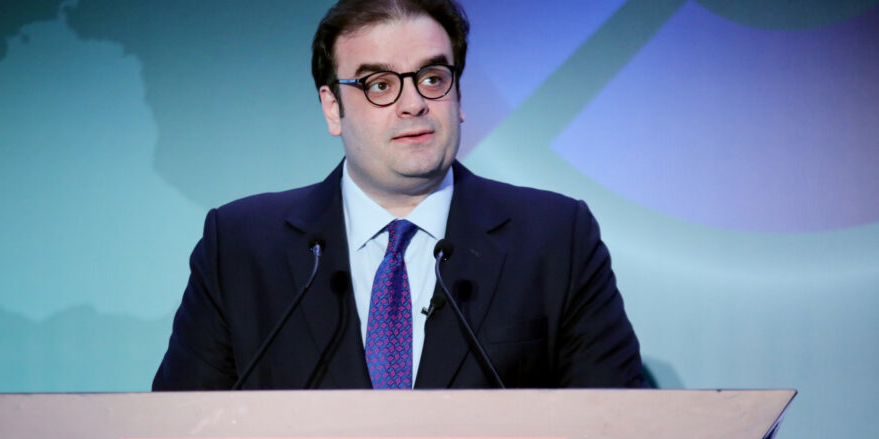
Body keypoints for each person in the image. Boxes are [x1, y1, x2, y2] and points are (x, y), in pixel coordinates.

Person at [152, 0, 644, 391]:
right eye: (380, 84)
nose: (414, 103)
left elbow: (616, 433)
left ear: (458, 95)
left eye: (432, 79)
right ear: (332, 107)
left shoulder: (555, 238)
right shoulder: (241, 246)